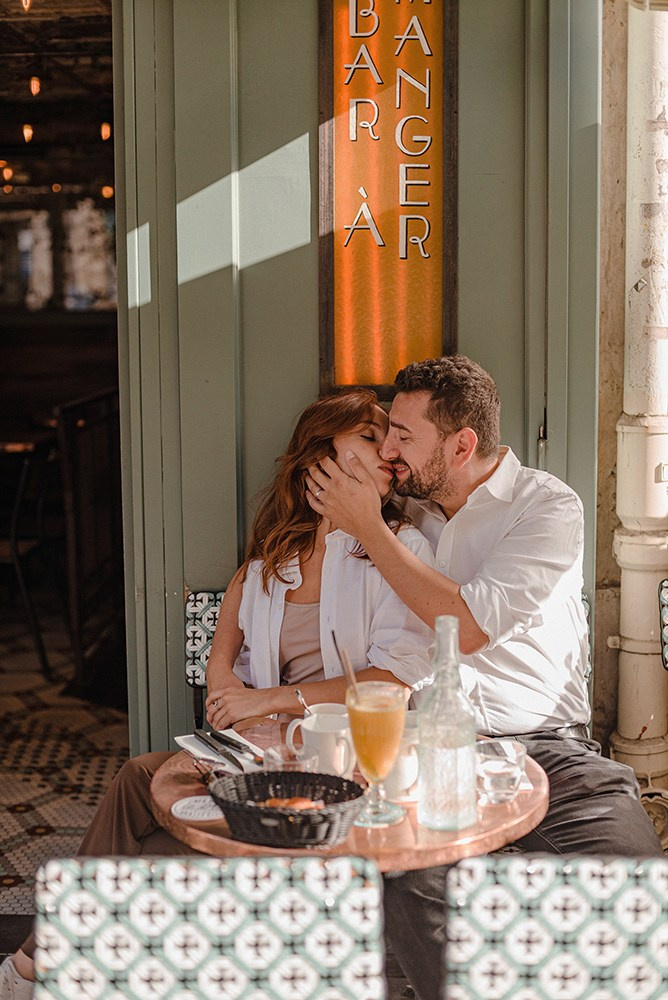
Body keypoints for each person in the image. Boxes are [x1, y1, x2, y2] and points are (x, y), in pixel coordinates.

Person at [1, 388, 434, 1000]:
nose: (389, 451)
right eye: (370, 435)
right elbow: (237, 593)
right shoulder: (280, 553)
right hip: (262, 750)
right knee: (135, 780)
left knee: (147, 825)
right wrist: (223, 670)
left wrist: (266, 699)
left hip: (341, 766)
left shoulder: (397, 550)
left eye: (393, 438)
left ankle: (44, 960)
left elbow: (391, 681)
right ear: (320, 456)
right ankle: (54, 953)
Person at [305, 354, 664, 999]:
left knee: (630, 875)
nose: (389, 448)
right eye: (386, 432)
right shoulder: (404, 514)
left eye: (404, 437)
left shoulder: (546, 508)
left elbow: (466, 627)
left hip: (546, 747)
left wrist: (366, 525)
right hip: (422, 754)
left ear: (462, 443)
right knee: (411, 880)